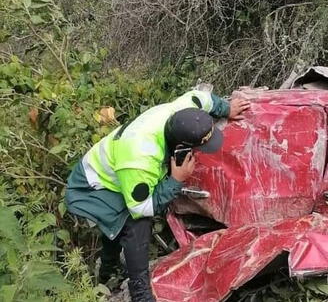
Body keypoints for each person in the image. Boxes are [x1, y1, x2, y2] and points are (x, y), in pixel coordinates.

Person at [65, 88, 250, 302]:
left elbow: (203, 97)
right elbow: (140, 208)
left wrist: (226, 108)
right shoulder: (140, 158)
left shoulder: (184, 108)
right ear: (180, 147)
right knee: (134, 223)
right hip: (94, 186)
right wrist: (175, 181)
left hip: (119, 171)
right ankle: (139, 291)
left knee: (122, 222)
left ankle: (107, 271)